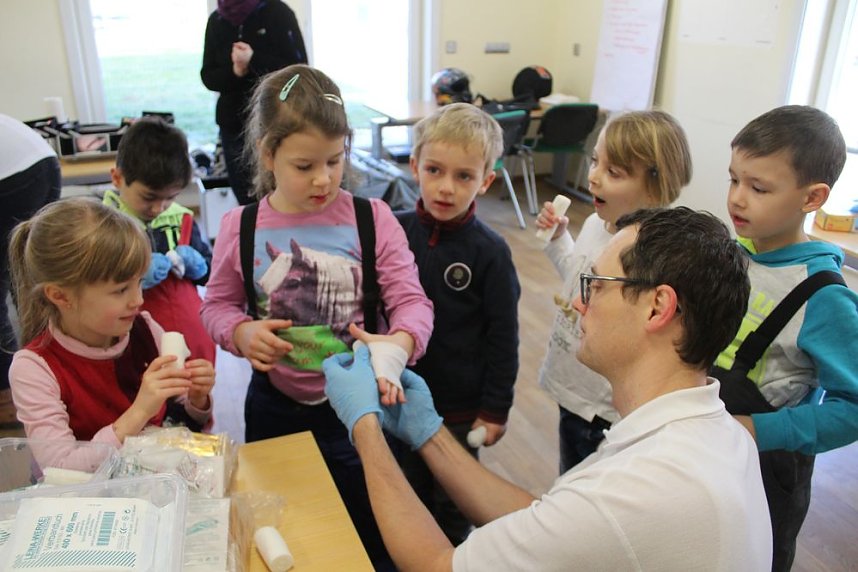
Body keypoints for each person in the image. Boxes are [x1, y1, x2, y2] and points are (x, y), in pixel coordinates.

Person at [323, 206, 772, 571]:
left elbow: (439, 565)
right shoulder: (719, 435)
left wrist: (366, 427)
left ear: (657, 307)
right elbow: (549, 519)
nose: (578, 302)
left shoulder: (632, 493)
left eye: (595, 285)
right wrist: (429, 432)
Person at [200, 64, 433, 568]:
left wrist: (400, 343)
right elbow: (215, 306)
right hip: (274, 409)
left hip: (361, 412)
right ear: (268, 154)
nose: (324, 178)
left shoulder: (374, 220)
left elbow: (412, 302)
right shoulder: (240, 227)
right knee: (292, 539)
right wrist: (240, 332)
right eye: (305, 165)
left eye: (335, 159)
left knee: (372, 536)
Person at [712, 105, 858, 571]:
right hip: (705, 440)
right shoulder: (734, 254)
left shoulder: (824, 296)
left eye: (758, 188)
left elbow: (853, 408)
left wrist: (761, 430)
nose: (737, 198)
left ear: (812, 197)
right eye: (734, 179)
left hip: (764, 466)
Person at [535, 110, 693, 472]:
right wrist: (559, 239)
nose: (592, 178)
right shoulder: (596, 224)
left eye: (613, 172)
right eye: (594, 162)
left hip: (602, 412)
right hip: (572, 389)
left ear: (656, 184)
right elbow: (579, 279)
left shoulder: (652, 254)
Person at [393, 102, 520, 544]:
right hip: (399, 397)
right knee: (405, 489)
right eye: (435, 170)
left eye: (463, 176)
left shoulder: (491, 253)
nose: (446, 188)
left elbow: (504, 337)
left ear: (485, 180)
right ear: (415, 167)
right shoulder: (393, 231)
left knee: (453, 500)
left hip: (460, 410)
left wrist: (495, 407)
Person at [8, 198, 215, 447]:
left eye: (139, 282)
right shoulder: (34, 369)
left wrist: (197, 399)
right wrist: (140, 411)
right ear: (60, 296)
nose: (138, 300)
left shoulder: (148, 329)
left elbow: (181, 425)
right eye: (120, 291)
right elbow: (60, 466)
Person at [103, 117, 215, 365]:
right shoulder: (104, 227)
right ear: (118, 178)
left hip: (190, 342)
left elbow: (210, 273)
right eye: (149, 197)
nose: (158, 208)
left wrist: (201, 265)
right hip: (136, 348)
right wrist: (136, 277)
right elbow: (96, 288)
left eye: (169, 198)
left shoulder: (182, 219)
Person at [201, 0, 308, 206]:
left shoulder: (278, 12)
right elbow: (208, 76)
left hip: (276, 122)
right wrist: (235, 72)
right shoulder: (217, 20)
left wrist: (253, 59)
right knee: (245, 196)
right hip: (233, 125)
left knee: (280, 193)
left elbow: (298, 68)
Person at [0, 114, 62, 430]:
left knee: (21, 283)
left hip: (12, 175)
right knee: (29, 280)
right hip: (42, 159)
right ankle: (47, 377)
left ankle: (8, 399)